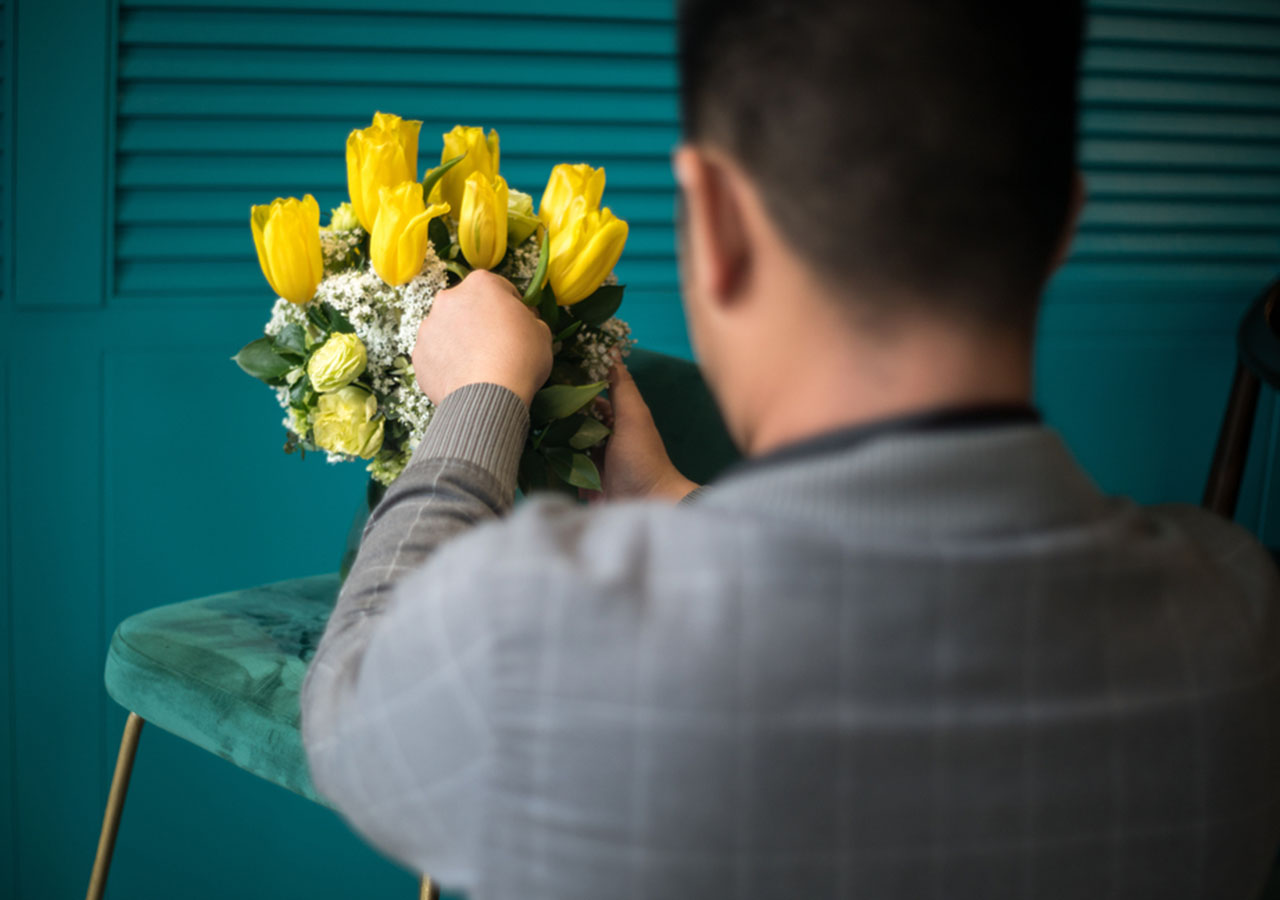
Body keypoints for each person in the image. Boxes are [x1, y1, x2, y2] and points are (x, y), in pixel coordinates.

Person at [300, 0, 1280, 896]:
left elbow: (353, 703)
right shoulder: (1236, 621)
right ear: (1060, 222)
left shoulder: (532, 645)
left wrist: (478, 396)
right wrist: (674, 498)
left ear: (714, 221)